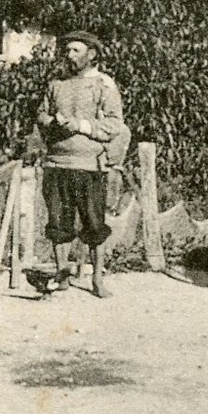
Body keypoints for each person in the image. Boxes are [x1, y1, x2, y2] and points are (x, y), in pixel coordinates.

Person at [33, 30, 127, 297]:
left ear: (92, 54)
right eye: (68, 50)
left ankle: (97, 280)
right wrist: (50, 122)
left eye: (76, 50)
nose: (69, 55)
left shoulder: (104, 84)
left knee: (94, 225)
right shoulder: (56, 84)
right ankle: (62, 275)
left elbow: (114, 124)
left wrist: (80, 126)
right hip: (56, 164)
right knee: (59, 223)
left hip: (90, 166)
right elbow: (41, 113)